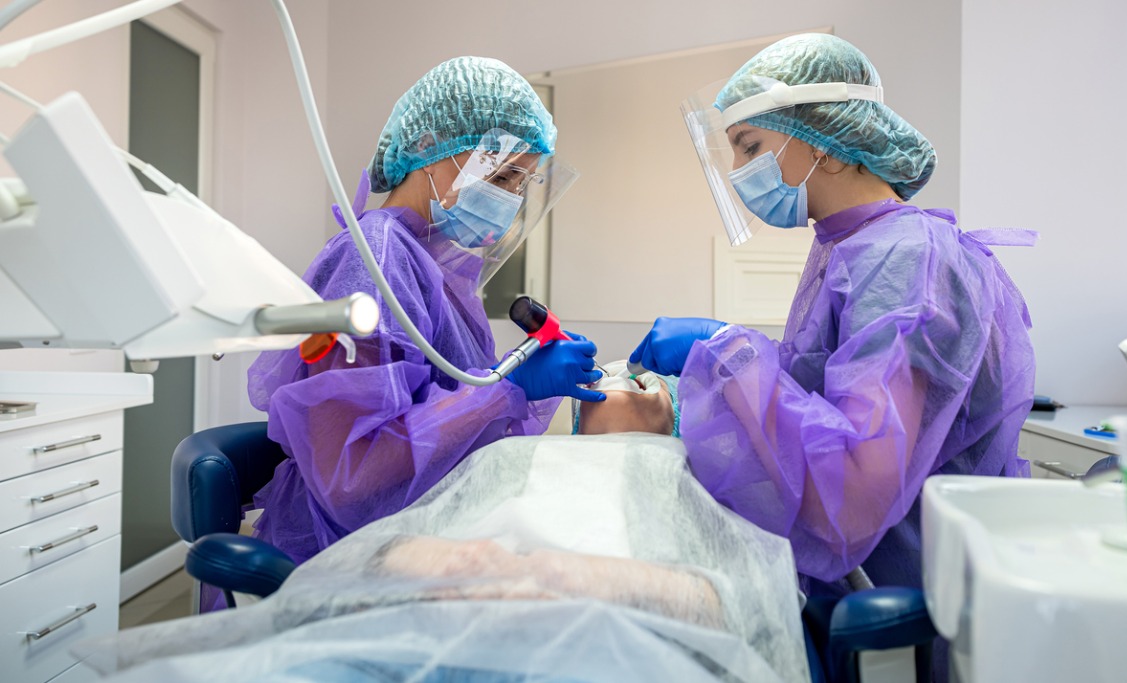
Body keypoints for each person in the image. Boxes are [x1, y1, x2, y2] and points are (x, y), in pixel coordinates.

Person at [631, 33, 1036, 640]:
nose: (741, 171)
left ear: (832, 145)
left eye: (750, 146)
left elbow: (854, 491)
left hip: (910, 598)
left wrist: (732, 353)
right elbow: (827, 403)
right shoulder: (851, 247)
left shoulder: (905, 260)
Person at [245, 56, 606, 568]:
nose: (511, 199)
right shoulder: (374, 258)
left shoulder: (436, 264)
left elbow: (436, 404)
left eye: (522, 184)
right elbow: (351, 473)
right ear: (427, 149)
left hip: (425, 528)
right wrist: (506, 387)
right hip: (351, 554)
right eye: (502, 176)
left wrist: (508, 377)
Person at [83, 432, 809, 682]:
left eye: (645, 382)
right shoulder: (506, 456)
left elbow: (747, 605)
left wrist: (571, 578)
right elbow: (373, 555)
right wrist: (454, 566)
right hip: (425, 624)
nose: (619, 382)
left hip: (611, 644)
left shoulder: (674, 469)